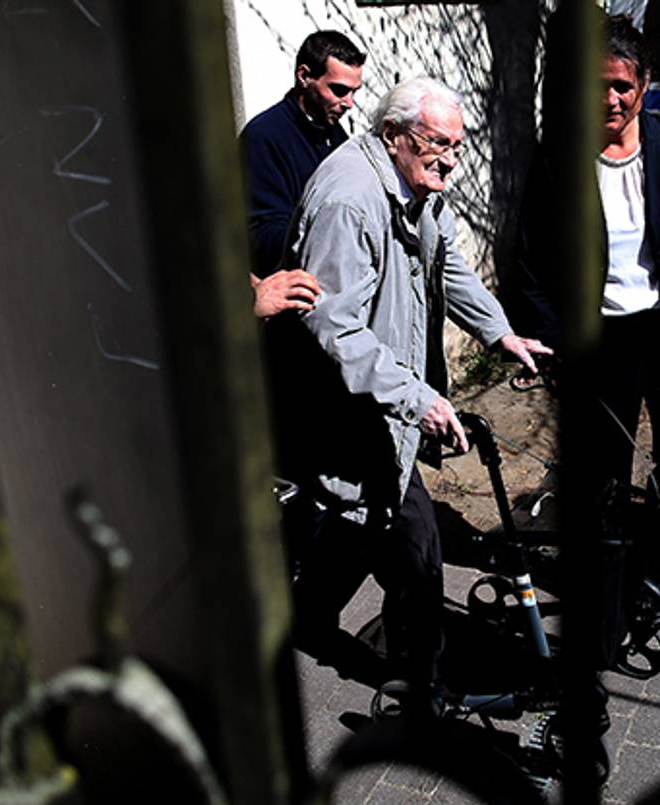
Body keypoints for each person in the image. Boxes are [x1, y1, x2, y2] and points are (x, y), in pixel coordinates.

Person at [279, 76, 552, 713]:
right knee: (415, 542)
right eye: (438, 144)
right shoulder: (349, 200)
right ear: (396, 135)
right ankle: (418, 681)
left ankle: (306, 616)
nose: (451, 160)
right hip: (350, 401)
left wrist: (499, 332)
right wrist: (417, 398)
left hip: (381, 402)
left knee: (362, 520)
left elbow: (447, 264)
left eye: (457, 146)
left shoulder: (417, 186)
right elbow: (331, 323)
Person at [509, 14, 660, 661]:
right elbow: (529, 261)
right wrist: (551, 343)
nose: (611, 100)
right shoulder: (560, 156)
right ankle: (601, 606)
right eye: (599, 86)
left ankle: (651, 581)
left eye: (623, 87)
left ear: (645, 84)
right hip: (601, 343)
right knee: (604, 481)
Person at [238, 30, 365, 318]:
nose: (349, 103)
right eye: (339, 90)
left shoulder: (336, 136)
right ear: (304, 76)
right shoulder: (263, 138)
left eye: (354, 91)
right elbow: (261, 235)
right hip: (293, 307)